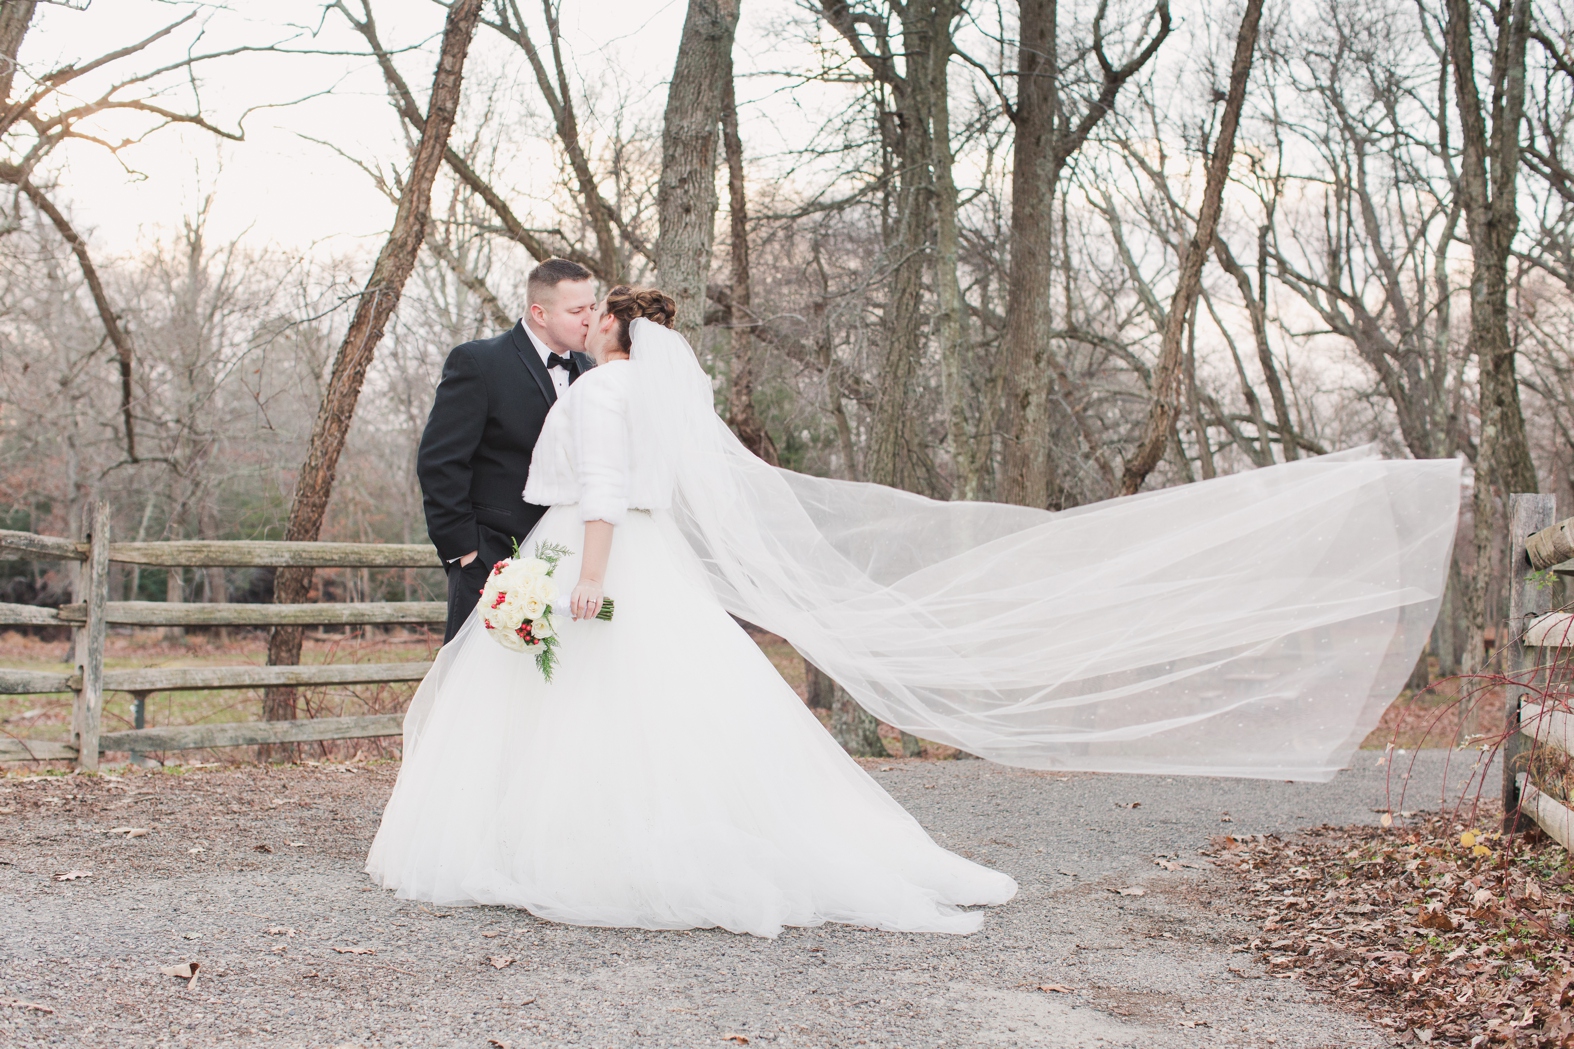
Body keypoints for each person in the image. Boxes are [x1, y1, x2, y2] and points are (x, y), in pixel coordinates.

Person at [370, 284, 1460, 936]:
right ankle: (590, 832)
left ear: (611, 334)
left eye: (596, 312)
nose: (589, 318)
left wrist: (587, 576)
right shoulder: (641, 396)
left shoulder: (604, 390)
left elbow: (601, 493)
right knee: (655, 713)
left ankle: (568, 843)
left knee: (591, 705)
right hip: (626, 558)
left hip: (600, 556)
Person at [416, 258, 596, 643]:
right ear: (540, 313)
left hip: (570, 563)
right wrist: (466, 553)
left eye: (593, 308)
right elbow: (440, 462)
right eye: (577, 310)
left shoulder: (594, 370)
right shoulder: (478, 362)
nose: (589, 319)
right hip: (493, 561)